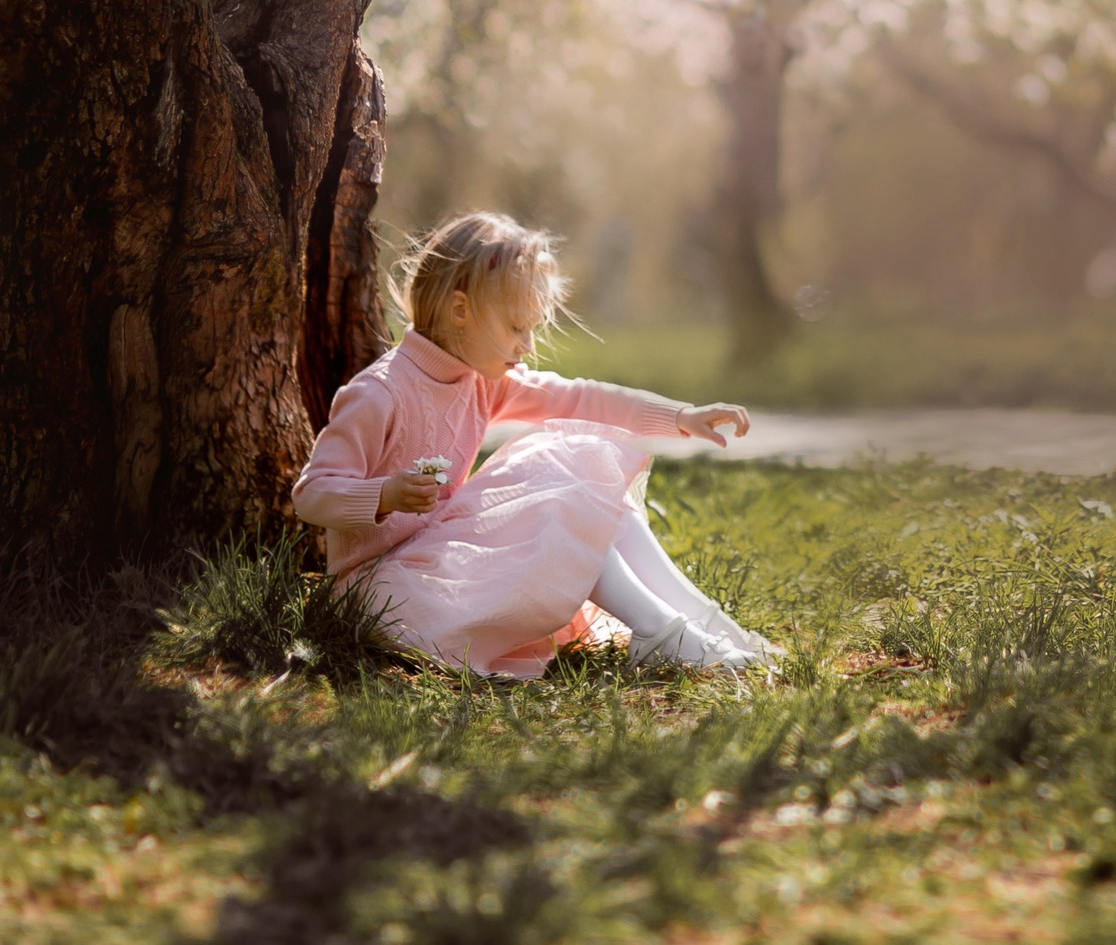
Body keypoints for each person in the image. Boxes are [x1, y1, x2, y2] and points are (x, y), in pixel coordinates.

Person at [291, 210, 768, 678]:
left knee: (576, 470)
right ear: (460, 311)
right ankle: (661, 633)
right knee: (558, 495)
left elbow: (578, 396)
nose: (526, 345)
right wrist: (385, 495)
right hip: (385, 590)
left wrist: (679, 416)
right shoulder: (379, 393)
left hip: (442, 558)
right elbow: (311, 494)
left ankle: (698, 621)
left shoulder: (479, 380)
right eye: (517, 327)